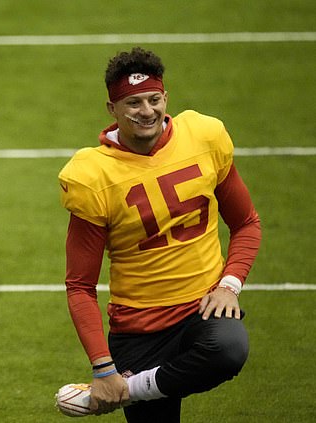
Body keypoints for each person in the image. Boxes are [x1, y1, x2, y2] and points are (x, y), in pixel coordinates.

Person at [58, 47, 261, 422]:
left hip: (203, 308)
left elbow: (247, 222)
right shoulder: (92, 174)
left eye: (154, 99)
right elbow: (80, 286)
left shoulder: (204, 136)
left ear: (166, 98)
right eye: (133, 103)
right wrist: (104, 368)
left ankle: (128, 390)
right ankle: (120, 383)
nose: (147, 111)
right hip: (139, 331)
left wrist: (228, 285)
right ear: (112, 109)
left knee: (228, 349)